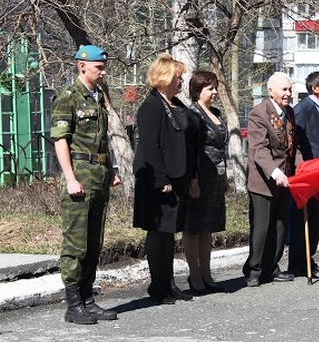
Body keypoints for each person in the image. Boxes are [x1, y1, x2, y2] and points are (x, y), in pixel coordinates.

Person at [50, 44, 121, 324]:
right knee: (75, 243)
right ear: (82, 66)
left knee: (94, 242)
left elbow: (103, 138)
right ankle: (73, 304)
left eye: (103, 67)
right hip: (79, 175)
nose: (102, 72)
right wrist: (70, 178)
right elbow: (60, 141)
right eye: (98, 67)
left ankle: (88, 299)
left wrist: (111, 168)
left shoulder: (98, 97)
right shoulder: (68, 97)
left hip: (99, 175)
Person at [133, 53, 198, 305]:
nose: (181, 82)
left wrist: (191, 176)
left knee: (169, 232)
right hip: (157, 180)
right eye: (178, 78)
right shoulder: (151, 106)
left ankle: (169, 283)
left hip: (178, 176)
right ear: (165, 78)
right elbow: (150, 146)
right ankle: (157, 285)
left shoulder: (176, 105)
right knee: (157, 231)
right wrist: (161, 179)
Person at [243, 72, 301, 287]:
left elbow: (293, 146)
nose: (288, 94)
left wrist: (301, 168)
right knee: (261, 228)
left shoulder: (289, 113)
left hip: (285, 179)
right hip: (264, 181)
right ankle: (253, 269)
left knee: (280, 226)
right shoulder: (259, 114)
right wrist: (276, 174)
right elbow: (259, 150)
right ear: (270, 91)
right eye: (284, 90)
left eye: (290, 89)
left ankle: (271, 267)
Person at [183, 71, 228, 295]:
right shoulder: (193, 114)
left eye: (216, 87)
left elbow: (222, 149)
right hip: (199, 177)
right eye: (210, 88)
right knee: (194, 228)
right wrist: (193, 180)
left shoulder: (217, 113)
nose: (215, 92)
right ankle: (195, 274)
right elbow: (191, 150)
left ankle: (207, 273)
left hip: (216, 178)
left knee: (208, 228)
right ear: (197, 90)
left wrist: (225, 177)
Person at [288, 71, 319, 278]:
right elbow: (295, 141)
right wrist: (302, 167)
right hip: (308, 174)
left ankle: (309, 258)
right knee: (303, 221)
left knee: (316, 219)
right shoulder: (303, 109)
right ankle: (298, 262)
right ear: (315, 88)